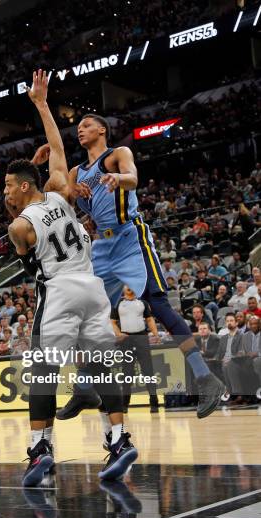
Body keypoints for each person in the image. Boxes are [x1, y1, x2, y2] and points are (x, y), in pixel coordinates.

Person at [34, 98, 224, 421]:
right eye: (78, 128)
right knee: (87, 314)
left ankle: (206, 378)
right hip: (102, 247)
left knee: (159, 305)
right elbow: (51, 197)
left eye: (87, 125)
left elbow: (133, 177)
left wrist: (119, 180)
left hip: (130, 237)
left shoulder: (117, 155)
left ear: (102, 130)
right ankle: (84, 386)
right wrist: (42, 164)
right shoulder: (77, 172)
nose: (80, 129)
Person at [7, 69, 137, 486]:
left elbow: (23, 235)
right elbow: (60, 148)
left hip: (60, 292)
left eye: (10, 186)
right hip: (92, 288)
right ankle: (118, 439)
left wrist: (24, 189)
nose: (5, 193)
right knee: (100, 367)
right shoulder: (63, 190)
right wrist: (42, 105)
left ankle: (40, 448)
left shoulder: (18, 226)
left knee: (42, 370)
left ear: (26, 188)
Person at [110, 286, 159, 413]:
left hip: (141, 337)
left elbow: (149, 319)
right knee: (127, 373)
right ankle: (125, 405)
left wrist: (155, 333)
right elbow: (113, 322)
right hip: (126, 339)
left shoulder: (142, 303)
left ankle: (154, 403)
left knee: (148, 371)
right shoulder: (118, 303)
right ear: (123, 288)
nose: (129, 287)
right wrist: (119, 334)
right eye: (126, 285)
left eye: (131, 285)